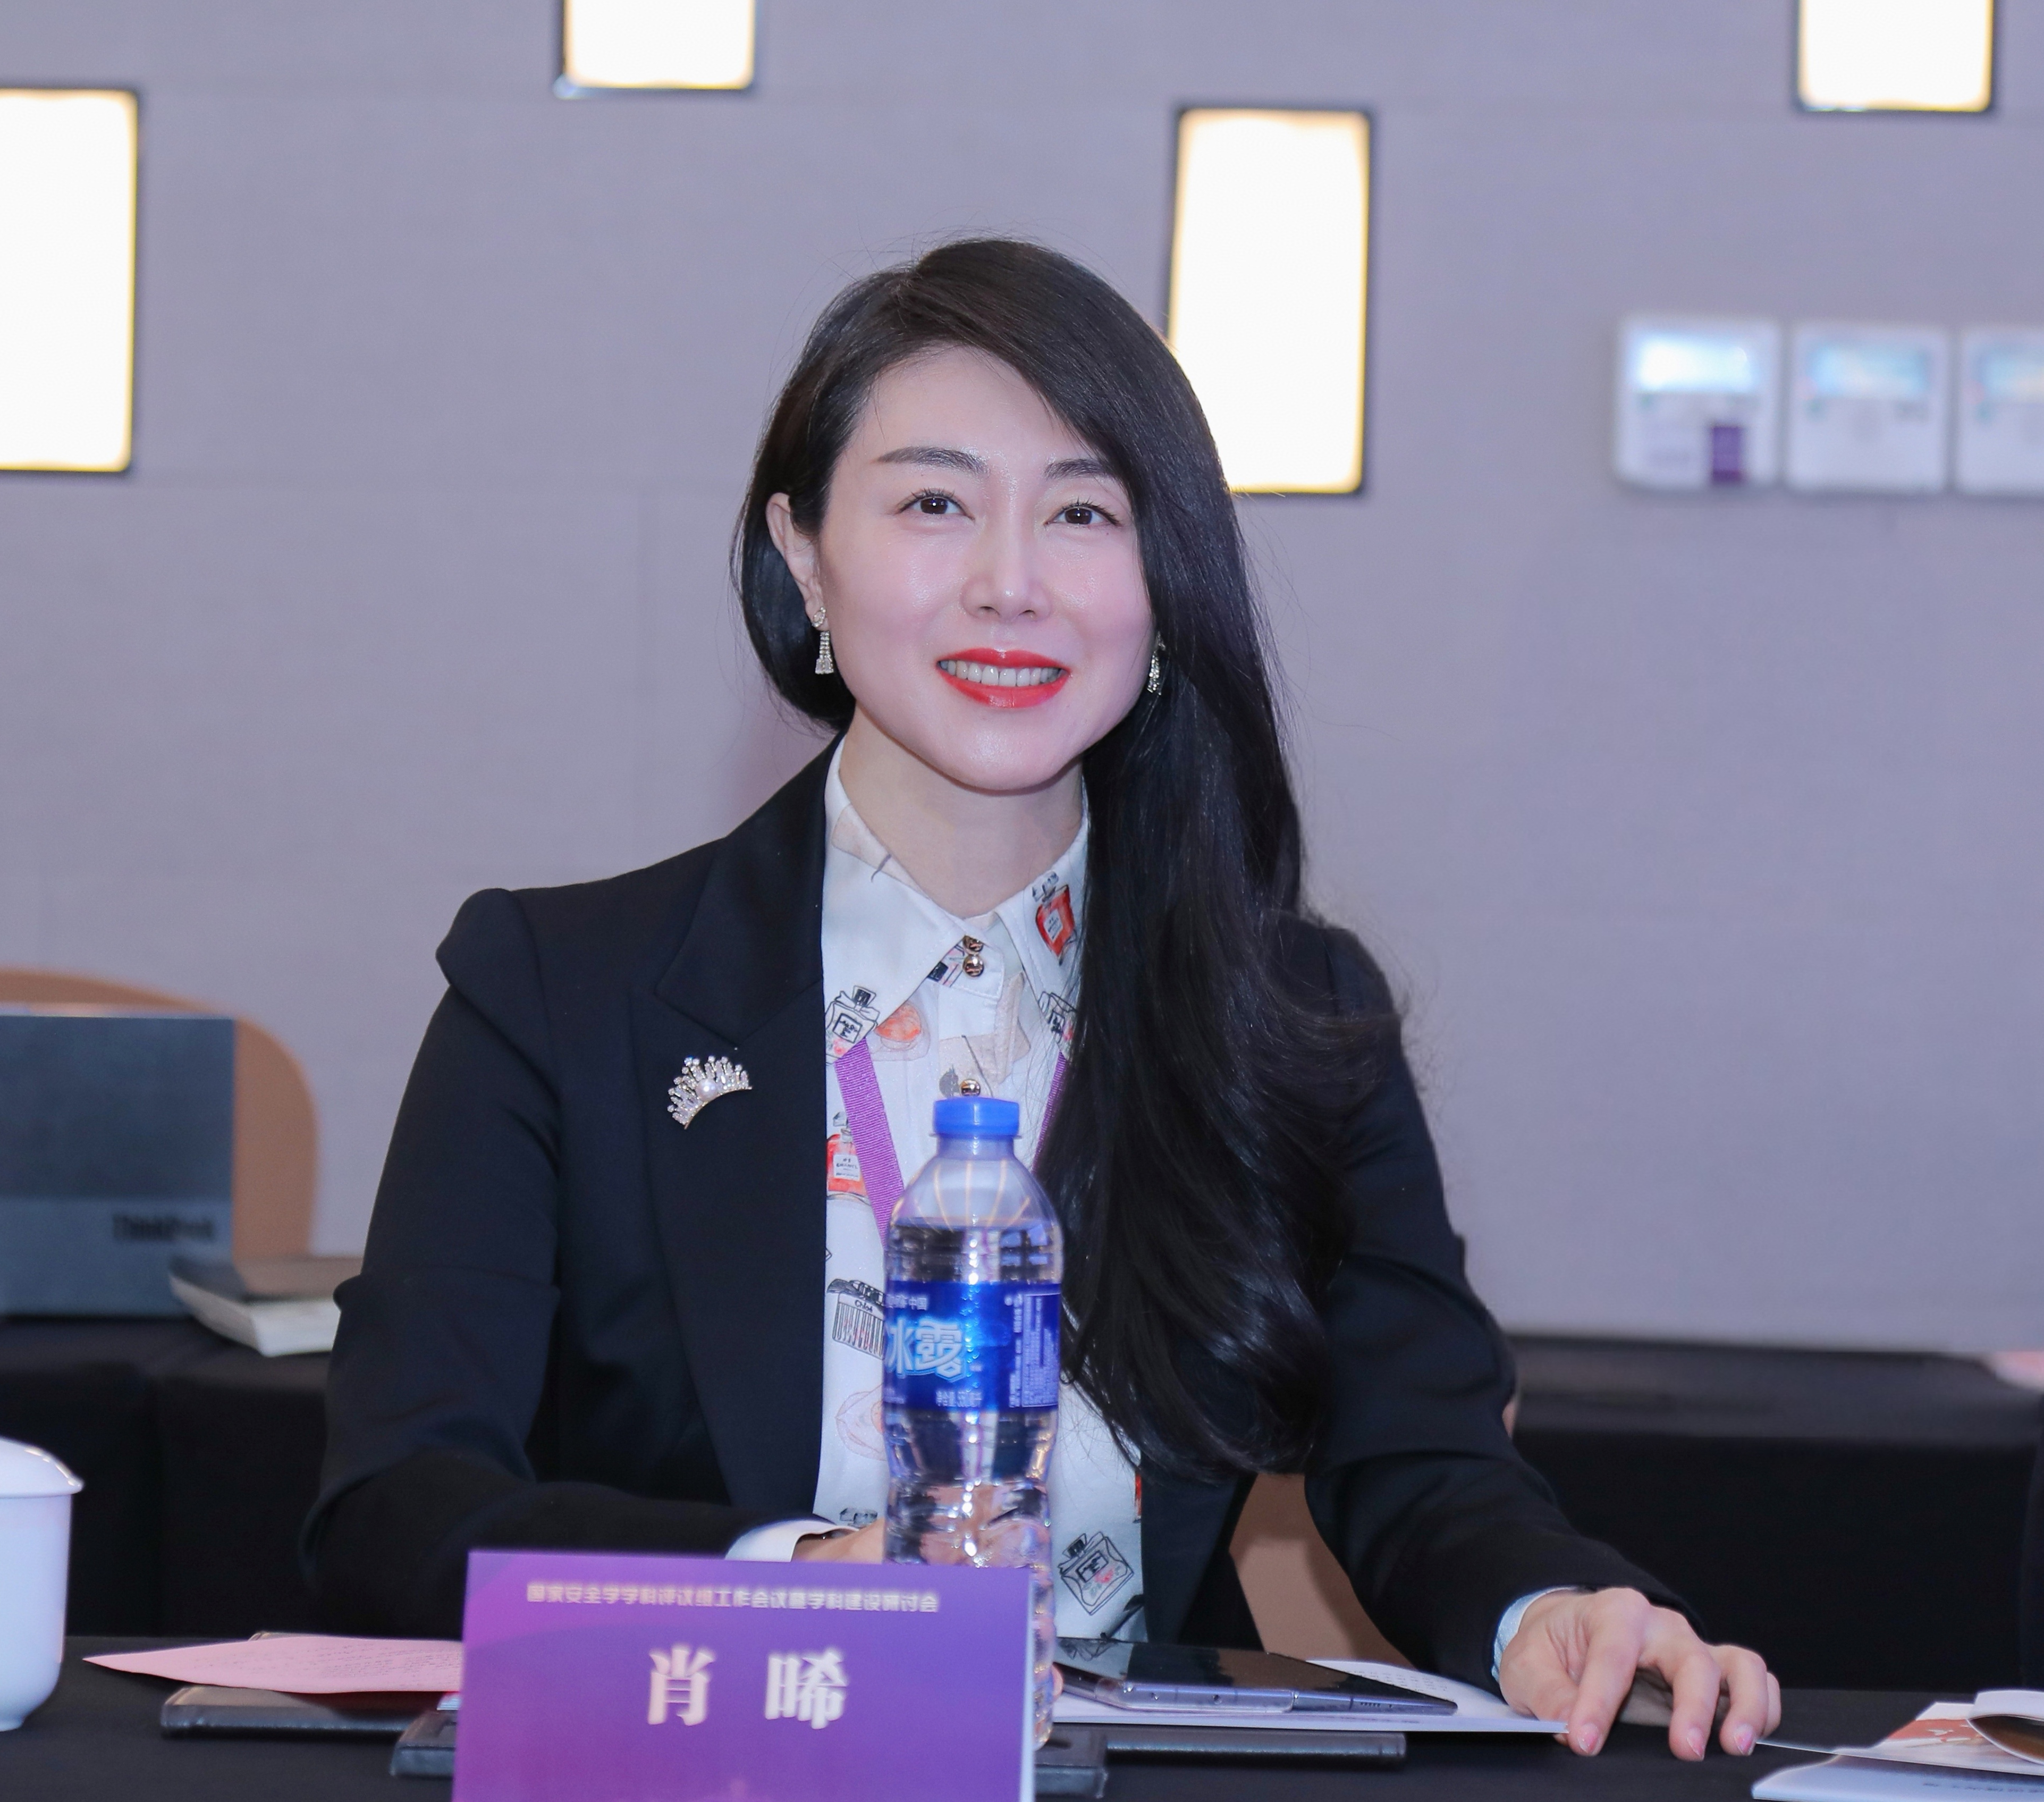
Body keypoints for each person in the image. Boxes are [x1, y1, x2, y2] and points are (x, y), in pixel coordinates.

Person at [309, 238, 1780, 1760]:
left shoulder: (1288, 1010)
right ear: (805, 557)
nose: (1010, 584)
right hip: (704, 1762)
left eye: (1083, 512)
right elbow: (397, 1508)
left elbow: (1426, 1465)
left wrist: (1547, 1611)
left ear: (1163, 582)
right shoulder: (561, 993)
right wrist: (798, 1583)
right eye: (933, 504)